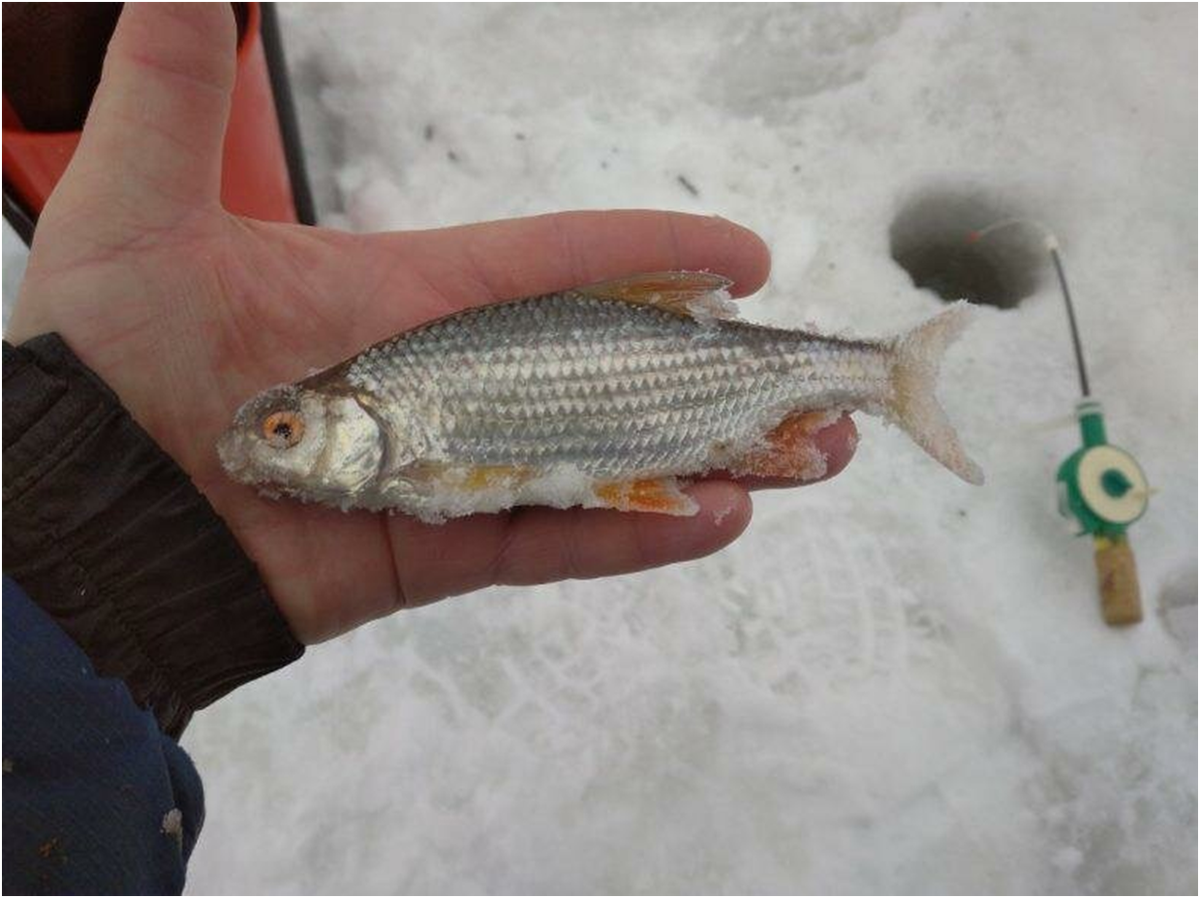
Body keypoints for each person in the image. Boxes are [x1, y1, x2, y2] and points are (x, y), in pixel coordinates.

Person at [0, 1, 856, 893]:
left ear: (351, 417)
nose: (262, 446)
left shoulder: (401, 416)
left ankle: (868, 373)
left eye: (286, 431)